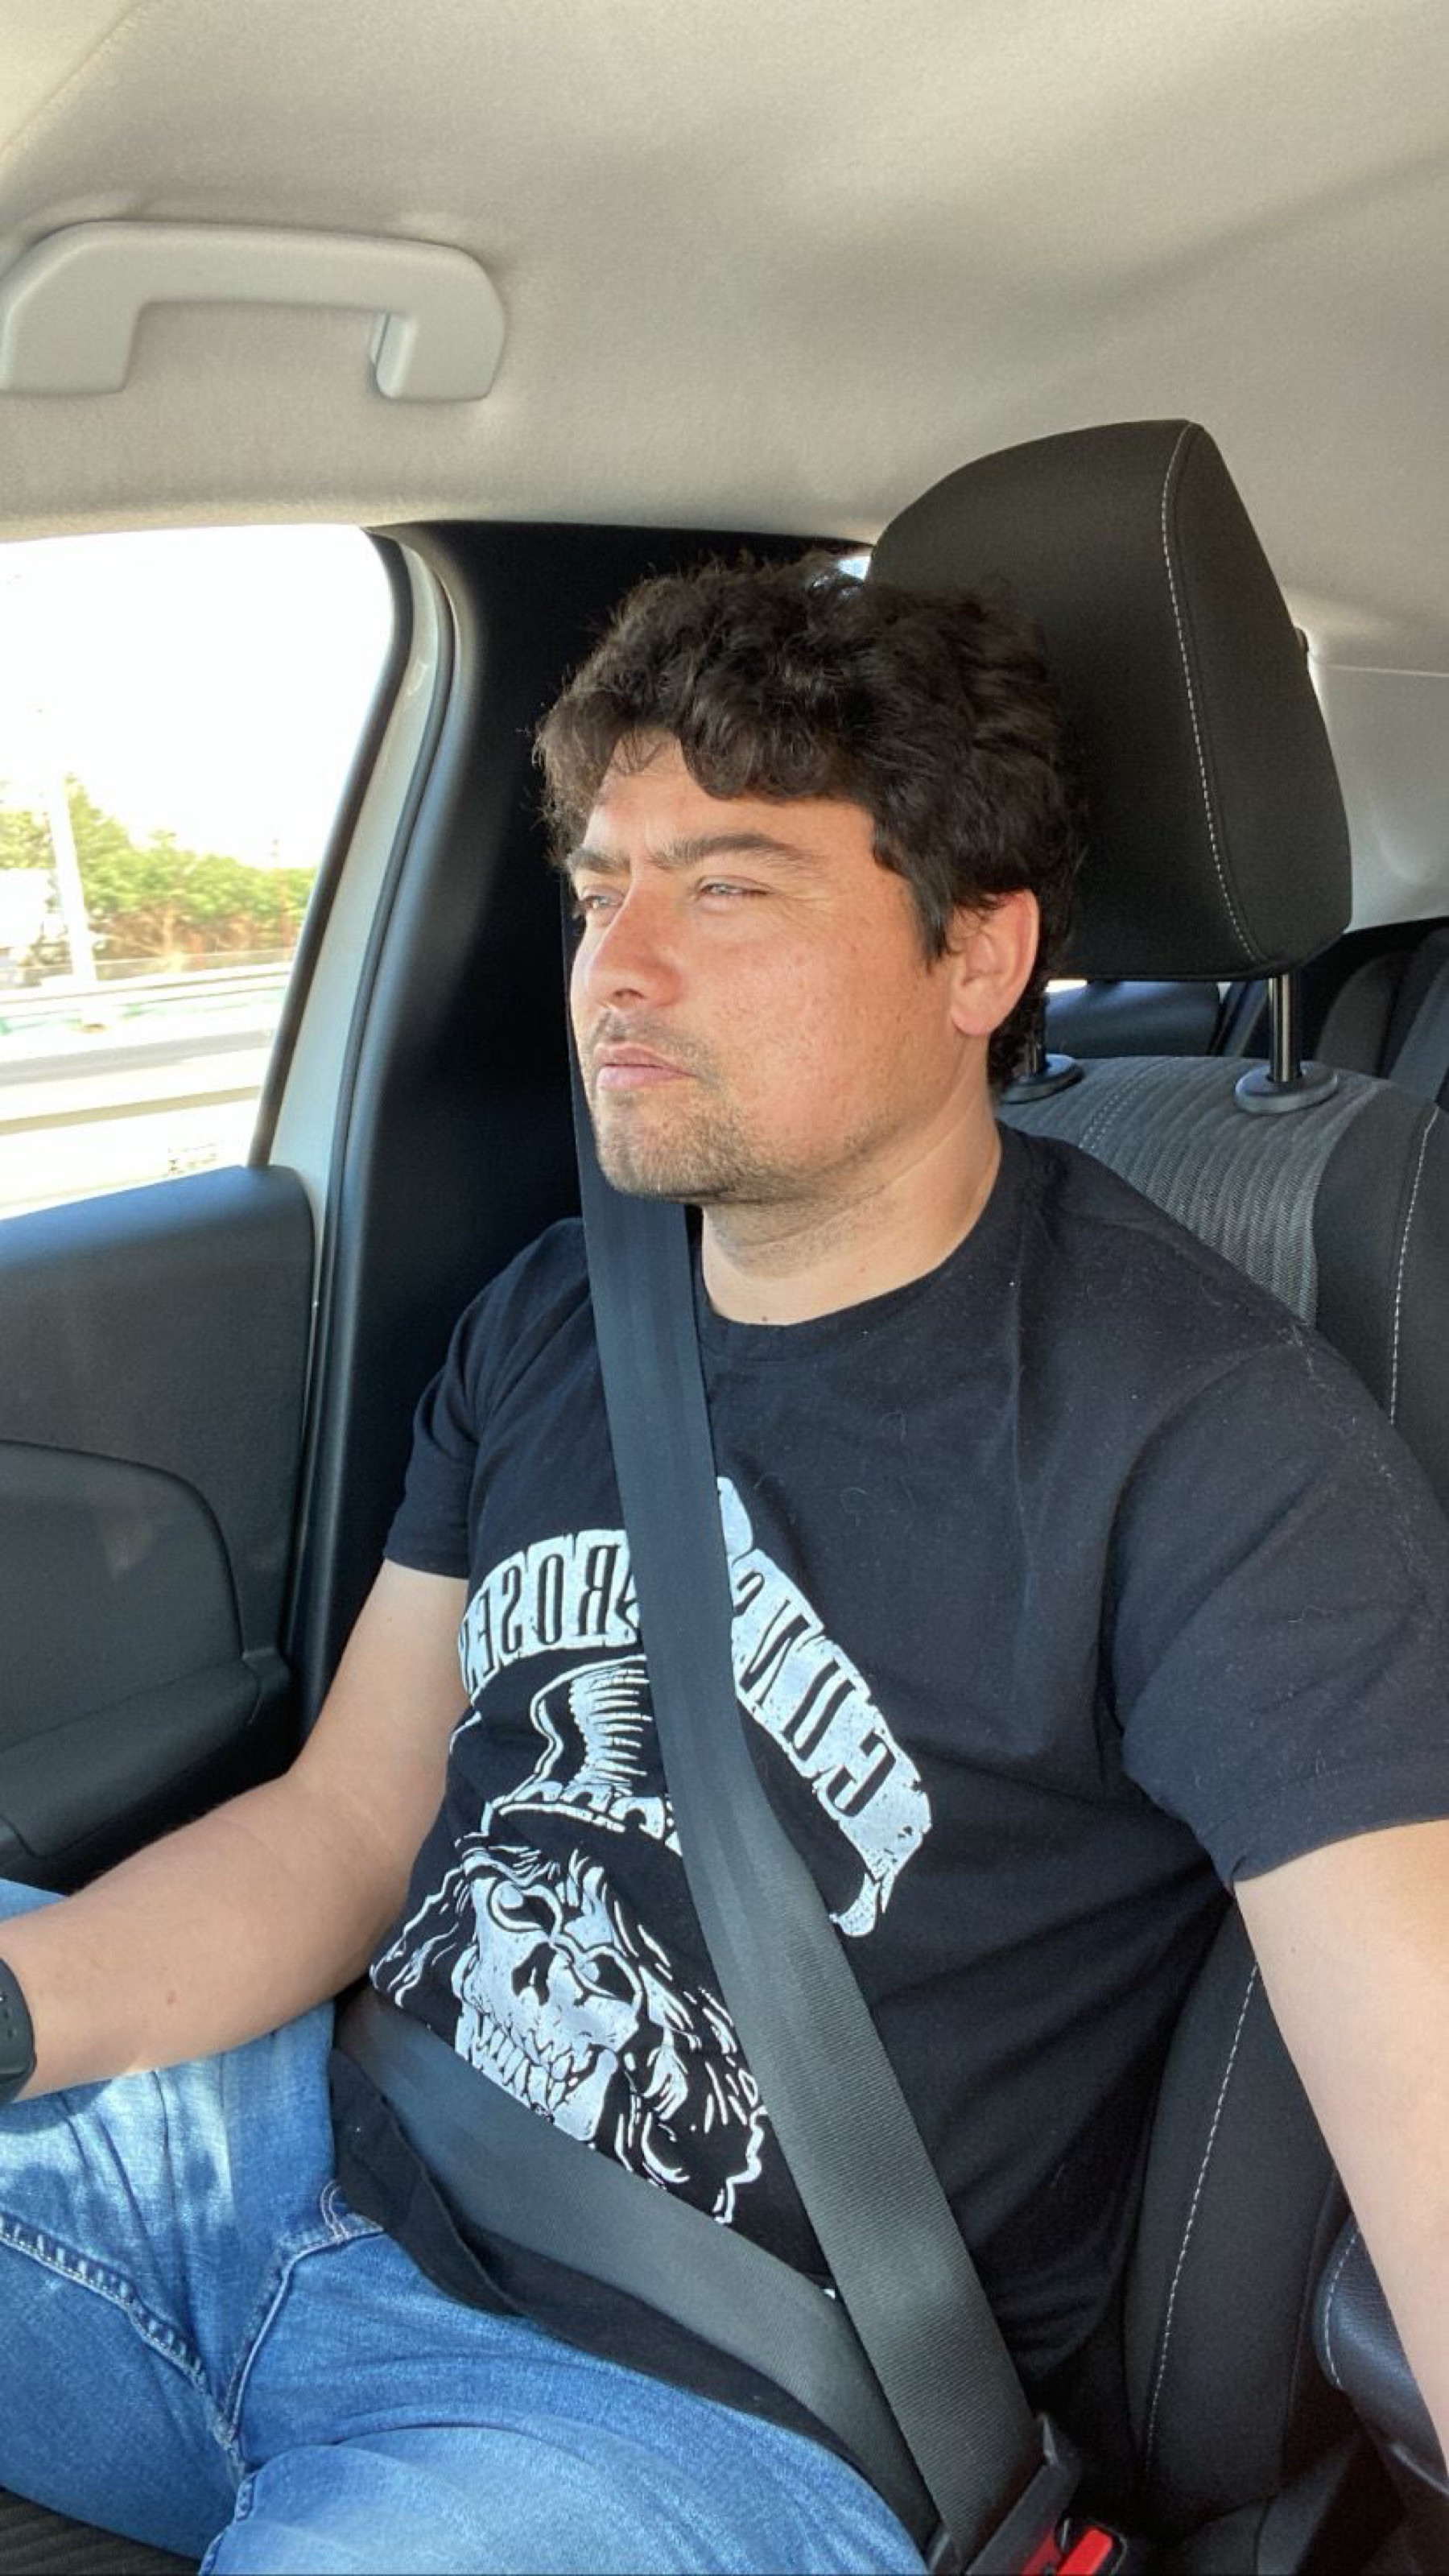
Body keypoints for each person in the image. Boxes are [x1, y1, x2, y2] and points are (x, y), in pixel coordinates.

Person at [0, 559, 1444, 2576]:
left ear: (981, 952)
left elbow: (1423, 2085)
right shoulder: (555, 1313)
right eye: (602, 889)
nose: (620, 966)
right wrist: (21, 2005)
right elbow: (348, 1823)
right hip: (300, 2173)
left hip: (696, 2420)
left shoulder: (1216, 1447)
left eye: (732, 885)